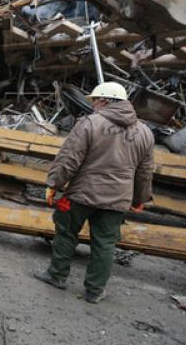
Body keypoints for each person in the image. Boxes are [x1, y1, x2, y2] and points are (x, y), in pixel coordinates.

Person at [34, 82, 154, 304]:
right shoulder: (145, 132)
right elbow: (145, 171)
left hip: (82, 194)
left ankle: (57, 275)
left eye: (96, 101)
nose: (93, 105)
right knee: (105, 243)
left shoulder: (90, 123)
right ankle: (95, 291)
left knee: (66, 232)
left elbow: (70, 159)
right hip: (118, 200)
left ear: (106, 101)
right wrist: (139, 199)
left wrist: (54, 184)